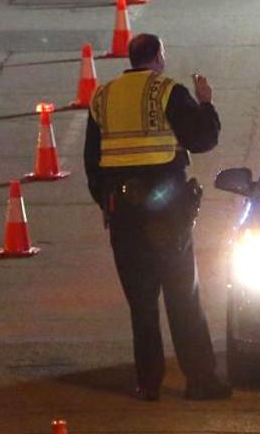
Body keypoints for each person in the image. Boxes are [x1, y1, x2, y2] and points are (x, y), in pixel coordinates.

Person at [84, 33, 232, 401]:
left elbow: (91, 163)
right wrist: (207, 104)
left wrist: (107, 204)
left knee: (142, 303)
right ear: (158, 58)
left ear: (131, 58)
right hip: (166, 214)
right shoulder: (167, 91)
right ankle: (200, 380)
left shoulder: (101, 98)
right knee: (183, 297)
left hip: (124, 216)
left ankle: (148, 383)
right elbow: (202, 140)